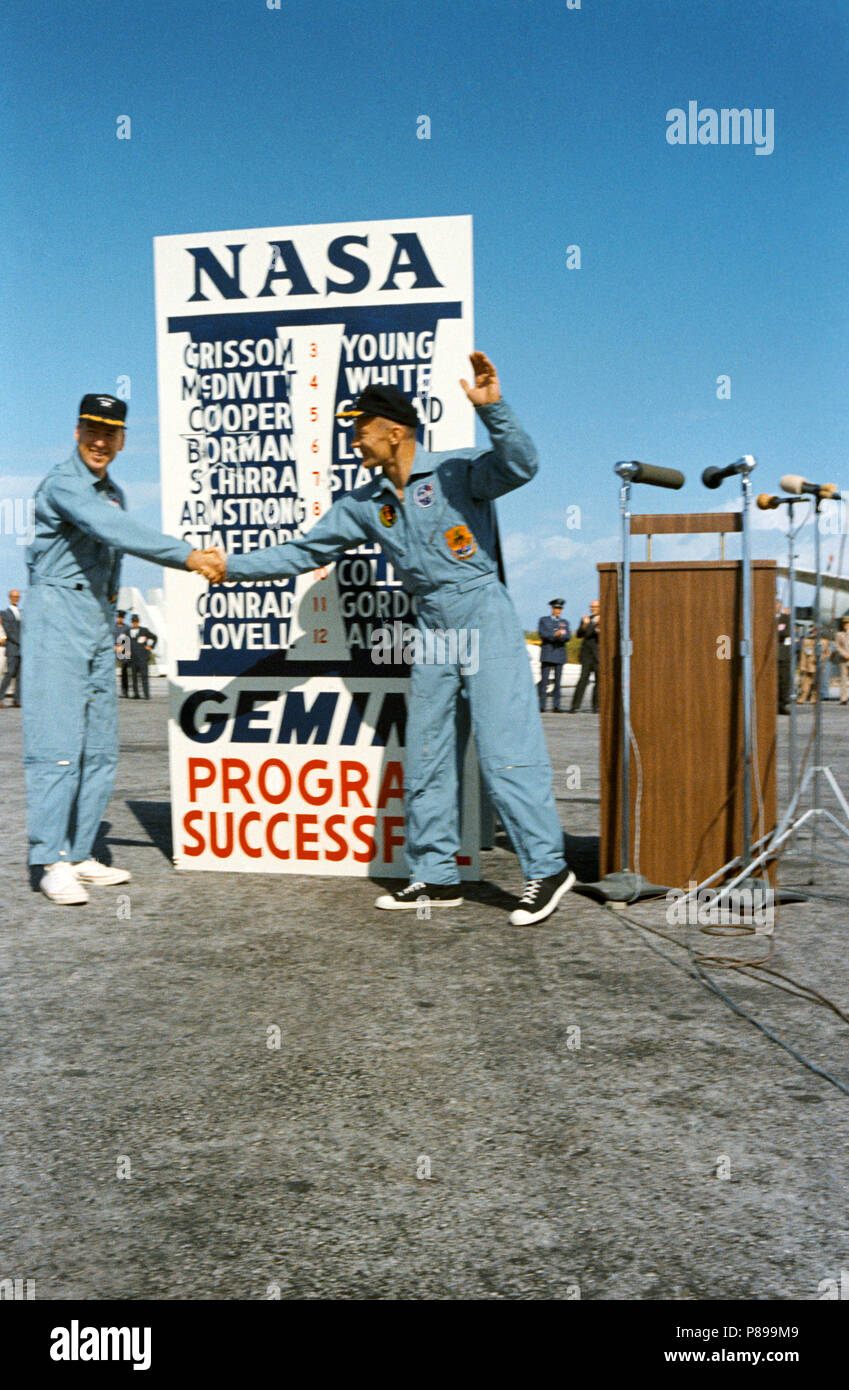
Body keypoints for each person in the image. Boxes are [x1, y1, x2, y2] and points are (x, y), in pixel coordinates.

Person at [211, 354, 575, 926]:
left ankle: (547, 868)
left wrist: (494, 410)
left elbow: (522, 466)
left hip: (481, 608)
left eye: (360, 430)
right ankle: (435, 875)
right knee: (427, 749)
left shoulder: (458, 472)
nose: (354, 441)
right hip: (431, 622)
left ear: (394, 431)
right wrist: (228, 566)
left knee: (507, 747)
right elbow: (302, 553)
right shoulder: (366, 503)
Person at [23, 393, 224, 905]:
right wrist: (189, 556)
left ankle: (83, 850)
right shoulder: (67, 484)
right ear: (76, 431)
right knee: (58, 748)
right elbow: (117, 533)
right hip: (56, 618)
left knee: (101, 748)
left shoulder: (112, 490)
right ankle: (50, 859)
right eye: (91, 429)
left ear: (122, 440)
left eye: (110, 433)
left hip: (94, 621)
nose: (99, 441)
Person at [538, 598, 570, 712]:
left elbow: (567, 637)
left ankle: (556, 705)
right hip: (547, 654)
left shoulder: (564, 622)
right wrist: (554, 635)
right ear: (552, 609)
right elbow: (543, 634)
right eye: (556, 608)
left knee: (557, 682)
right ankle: (542, 705)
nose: (558, 611)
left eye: (560, 609)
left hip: (559, 655)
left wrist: (560, 636)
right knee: (545, 681)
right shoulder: (544, 620)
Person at [571, 599, 600, 712]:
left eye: (595, 607)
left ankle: (596, 706)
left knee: (599, 682)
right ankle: (575, 706)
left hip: (598, 656)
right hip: (586, 656)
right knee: (582, 680)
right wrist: (585, 625)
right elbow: (579, 634)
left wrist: (594, 626)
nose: (592, 609)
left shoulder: (603, 620)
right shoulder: (587, 620)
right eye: (591, 607)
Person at [0, 588, 22, 706]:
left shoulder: (20, 612)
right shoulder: (5, 613)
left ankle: (17, 699)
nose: (16, 598)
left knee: (19, 675)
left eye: (18, 596)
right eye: (14, 596)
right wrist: (22, 642)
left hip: (20, 650)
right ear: (10, 597)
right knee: (9, 673)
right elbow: (10, 631)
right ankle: (0, 697)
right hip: (13, 648)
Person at [129, 613, 156, 699]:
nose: (135, 623)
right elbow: (123, 642)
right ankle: (136, 694)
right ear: (131, 622)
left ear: (138, 622)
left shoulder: (144, 631)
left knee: (144, 677)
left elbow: (155, 637)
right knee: (134, 678)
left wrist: (151, 647)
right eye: (133, 621)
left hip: (143, 659)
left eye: (136, 621)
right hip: (133, 659)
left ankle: (146, 694)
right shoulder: (128, 631)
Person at [776, 600, 792, 715]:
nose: (778, 607)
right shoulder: (765, 617)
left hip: (783, 654)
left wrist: (776, 631)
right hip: (771, 655)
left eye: (779, 606)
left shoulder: (785, 618)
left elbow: (786, 632)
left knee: (784, 681)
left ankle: (782, 705)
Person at [797, 627, 820, 703]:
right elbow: (803, 654)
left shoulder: (823, 641)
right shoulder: (806, 641)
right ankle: (803, 697)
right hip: (808, 665)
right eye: (814, 631)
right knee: (805, 682)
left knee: (816, 683)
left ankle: (814, 698)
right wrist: (802, 665)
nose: (815, 633)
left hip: (818, 665)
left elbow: (827, 653)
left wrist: (821, 659)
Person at [114, 610, 132, 697]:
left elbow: (129, 640)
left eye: (122, 618)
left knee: (124, 671)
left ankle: (125, 691)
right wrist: (114, 647)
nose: (120, 619)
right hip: (113, 649)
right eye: (119, 617)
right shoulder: (113, 627)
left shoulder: (127, 628)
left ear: (124, 618)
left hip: (123, 650)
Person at [833, 616, 849, 706]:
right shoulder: (839, 635)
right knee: (843, 679)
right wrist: (844, 654)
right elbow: (837, 646)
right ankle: (843, 698)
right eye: (845, 624)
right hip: (843, 659)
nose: (847, 626)